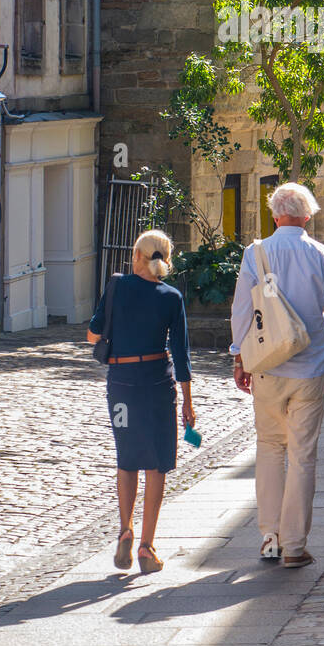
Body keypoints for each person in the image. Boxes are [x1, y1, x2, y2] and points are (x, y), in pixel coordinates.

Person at [230, 182, 324, 569]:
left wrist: (239, 356)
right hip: (310, 366)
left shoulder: (257, 252)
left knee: (269, 448)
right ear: (308, 214)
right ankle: (295, 545)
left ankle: (269, 536)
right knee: (302, 455)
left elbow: (242, 311)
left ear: (275, 213)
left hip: (267, 366)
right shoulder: (321, 254)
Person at [86, 229, 194, 576]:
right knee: (157, 463)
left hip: (121, 383)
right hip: (158, 384)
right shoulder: (171, 297)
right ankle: (147, 546)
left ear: (136, 256)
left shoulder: (117, 287)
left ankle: (125, 528)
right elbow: (181, 354)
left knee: (127, 458)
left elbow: (92, 334)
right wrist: (188, 404)